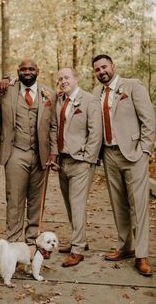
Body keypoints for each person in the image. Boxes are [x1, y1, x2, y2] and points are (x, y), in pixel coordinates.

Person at [92, 54, 156, 276]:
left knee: (138, 205)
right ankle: (125, 246)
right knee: (118, 204)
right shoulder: (95, 94)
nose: (101, 72)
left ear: (113, 66)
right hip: (109, 154)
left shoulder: (133, 86)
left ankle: (142, 255)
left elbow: (148, 119)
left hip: (133, 153)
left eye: (104, 67)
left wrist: (145, 150)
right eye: (97, 70)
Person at [0, 58, 58, 249]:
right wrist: (2, 83)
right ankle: (13, 243)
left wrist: (53, 152)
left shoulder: (49, 94)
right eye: (23, 69)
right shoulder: (7, 91)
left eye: (31, 68)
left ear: (38, 70)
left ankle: (31, 244)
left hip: (40, 155)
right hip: (15, 153)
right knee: (15, 199)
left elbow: (53, 126)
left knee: (36, 202)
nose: (27, 71)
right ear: (18, 72)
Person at [56, 68, 102, 267]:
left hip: (81, 162)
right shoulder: (59, 100)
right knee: (69, 204)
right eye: (60, 79)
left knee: (77, 204)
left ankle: (77, 249)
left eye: (66, 77)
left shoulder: (90, 100)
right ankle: (79, 240)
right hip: (62, 160)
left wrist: (88, 159)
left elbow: (96, 132)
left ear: (76, 79)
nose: (63, 81)